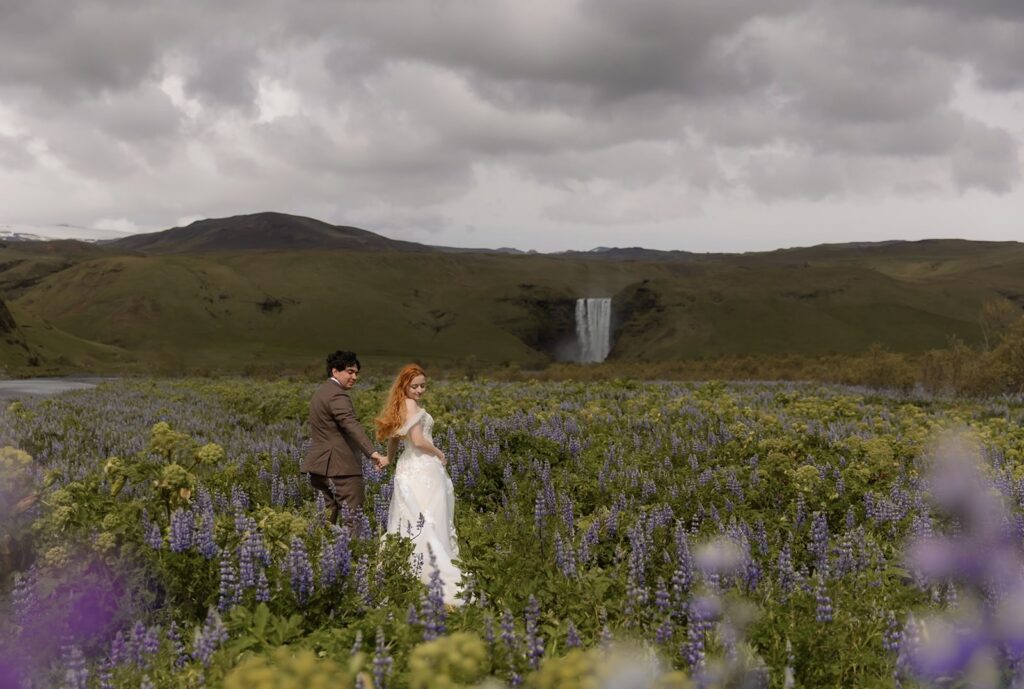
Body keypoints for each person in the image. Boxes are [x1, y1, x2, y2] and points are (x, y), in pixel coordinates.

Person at [374, 363, 463, 605]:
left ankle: (408, 570)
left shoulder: (400, 405)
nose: (420, 390)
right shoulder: (410, 404)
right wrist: (439, 452)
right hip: (423, 466)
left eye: (423, 385)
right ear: (405, 385)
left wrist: (388, 459)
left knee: (413, 517)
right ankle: (431, 570)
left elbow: (394, 437)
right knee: (429, 517)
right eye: (415, 386)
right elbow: (417, 440)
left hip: (409, 467)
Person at [301, 350, 389, 525]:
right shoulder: (337, 394)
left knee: (325, 518)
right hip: (341, 467)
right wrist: (372, 453)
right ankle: (353, 553)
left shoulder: (321, 392)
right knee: (353, 519)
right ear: (335, 371)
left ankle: (320, 550)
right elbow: (350, 424)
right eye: (350, 371)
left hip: (319, 466)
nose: (354, 376)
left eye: (356, 372)